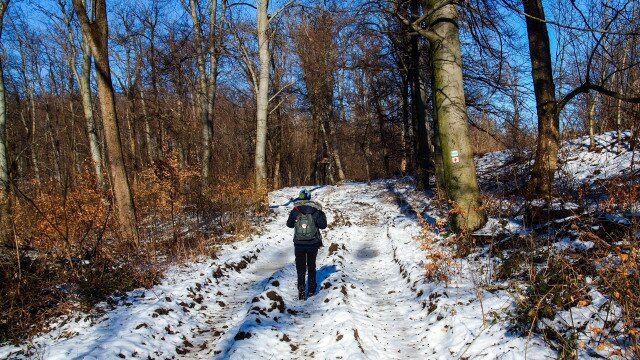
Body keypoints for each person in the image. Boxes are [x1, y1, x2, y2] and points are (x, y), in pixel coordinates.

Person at [286, 189, 327, 300]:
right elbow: (323, 225)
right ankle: (311, 291)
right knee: (311, 266)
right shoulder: (316, 209)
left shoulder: (296, 209)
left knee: (300, 267)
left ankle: (301, 289)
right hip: (313, 243)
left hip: (299, 243)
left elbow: (289, 224)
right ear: (309, 197)